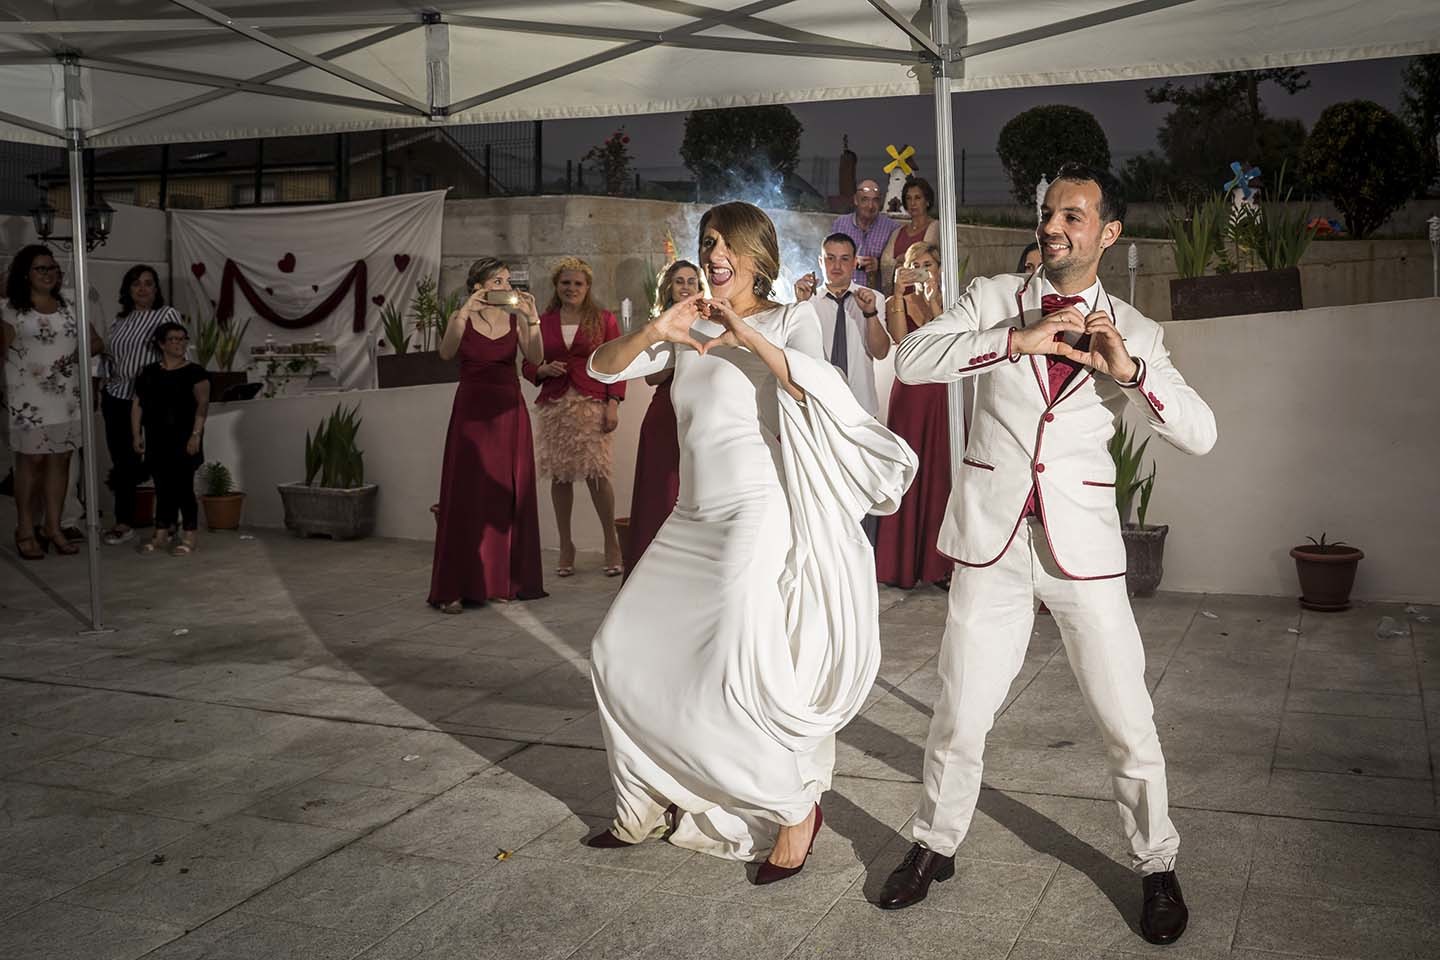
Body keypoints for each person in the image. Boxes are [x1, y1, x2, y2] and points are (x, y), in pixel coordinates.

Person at [877, 163, 1216, 947]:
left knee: (1126, 719)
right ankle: (935, 844)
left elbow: (1201, 433)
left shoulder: (1138, 329)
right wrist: (1012, 340)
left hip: (1083, 551)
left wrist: (1130, 372)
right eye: (1048, 213)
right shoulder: (994, 296)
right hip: (991, 543)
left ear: (1108, 233)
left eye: (1073, 215)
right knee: (960, 711)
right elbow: (913, 358)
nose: (1054, 225)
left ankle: (1156, 862)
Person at [583, 201, 916, 883]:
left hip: (754, 516)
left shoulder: (790, 320)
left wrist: (744, 335)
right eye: (708, 242)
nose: (713, 254)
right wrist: (657, 328)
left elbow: (811, 385)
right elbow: (602, 367)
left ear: (757, 256)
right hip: (690, 517)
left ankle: (794, 809)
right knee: (615, 650)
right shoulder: (688, 324)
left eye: (726, 243)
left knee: (734, 674)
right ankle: (645, 802)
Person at [428, 258, 548, 612]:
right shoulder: (460, 318)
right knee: (465, 496)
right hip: (471, 412)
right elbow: (446, 353)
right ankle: (454, 587)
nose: (506, 287)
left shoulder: (514, 319)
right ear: (478, 286)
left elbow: (536, 357)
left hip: (509, 412)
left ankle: (498, 582)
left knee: (505, 494)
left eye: (508, 280)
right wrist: (465, 310)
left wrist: (532, 317)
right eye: (498, 281)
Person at [523, 257, 626, 577]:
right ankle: (566, 545)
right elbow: (527, 363)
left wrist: (613, 403)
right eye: (565, 283)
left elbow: (616, 362)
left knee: (597, 475)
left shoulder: (604, 319)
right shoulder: (542, 321)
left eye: (578, 283)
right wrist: (542, 369)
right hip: (555, 407)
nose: (571, 288)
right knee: (560, 477)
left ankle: (611, 542)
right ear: (556, 285)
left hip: (592, 404)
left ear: (588, 286)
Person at [2, 245, 101, 560]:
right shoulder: (10, 310)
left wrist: (75, 355)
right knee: (31, 462)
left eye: (52, 268)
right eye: (40, 268)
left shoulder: (70, 305)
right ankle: (25, 529)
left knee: (61, 460)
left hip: (66, 396)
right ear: (25, 273)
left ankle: (53, 527)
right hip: (27, 400)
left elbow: (95, 341)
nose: (48, 274)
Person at [874, 241, 953, 590]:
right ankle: (901, 564)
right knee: (908, 472)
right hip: (910, 393)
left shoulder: (950, 304)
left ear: (939, 269)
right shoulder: (897, 301)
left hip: (942, 393)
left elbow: (949, 341)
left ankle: (940, 565)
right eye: (914, 265)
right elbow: (900, 341)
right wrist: (896, 292)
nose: (921, 270)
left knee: (940, 473)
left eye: (927, 265)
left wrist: (933, 299)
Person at [621, 259, 701, 577]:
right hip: (665, 415)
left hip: (700, 413)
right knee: (662, 494)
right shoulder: (657, 325)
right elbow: (651, 378)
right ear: (669, 287)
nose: (686, 287)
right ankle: (653, 574)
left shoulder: (711, 320)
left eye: (692, 281)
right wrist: (676, 344)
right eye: (679, 281)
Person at [100, 264, 179, 545]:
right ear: (128, 289)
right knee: (123, 462)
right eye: (136, 284)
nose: (142, 289)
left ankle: (167, 521)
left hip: (153, 399)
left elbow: (176, 352)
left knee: (161, 459)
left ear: (156, 289)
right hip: (117, 396)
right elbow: (109, 358)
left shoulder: (165, 314)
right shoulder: (120, 320)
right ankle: (124, 521)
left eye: (148, 283)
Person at [131, 321, 210, 556]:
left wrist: (196, 435)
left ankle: (190, 534)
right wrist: (136, 434)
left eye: (182, 338)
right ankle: (161, 532)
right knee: (162, 486)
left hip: (185, 436)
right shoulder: (148, 372)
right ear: (161, 344)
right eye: (173, 339)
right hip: (156, 437)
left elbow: (202, 405)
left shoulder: (196, 372)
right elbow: (138, 404)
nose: (179, 343)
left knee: (184, 486)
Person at [793, 233, 891, 417]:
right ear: (820, 262)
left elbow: (881, 353)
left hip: (862, 405)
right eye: (830, 258)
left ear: (854, 262)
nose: (837, 266)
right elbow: (796, 355)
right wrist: (801, 306)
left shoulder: (873, 298)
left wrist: (870, 313)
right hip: (819, 404)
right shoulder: (807, 301)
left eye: (844, 259)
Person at [878, 176, 941, 297]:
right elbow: (885, 263)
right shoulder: (898, 232)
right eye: (908, 198)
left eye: (917, 198)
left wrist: (903, 260)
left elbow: (930, 259)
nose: (913, 203)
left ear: (927, 201)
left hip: (925, 296)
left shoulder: (935, 227)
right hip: (898, 295)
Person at [829, 179, 891, 288]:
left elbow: (899, 263)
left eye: (875, 200)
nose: (870, 206)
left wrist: (880, 264)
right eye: (865, 200)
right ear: (856, 200)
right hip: (843, 290)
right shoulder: (840, 224)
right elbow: (829, 257)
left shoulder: (891, 227)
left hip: (875, 294)